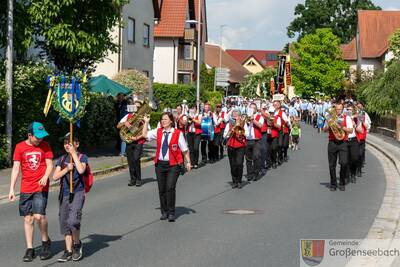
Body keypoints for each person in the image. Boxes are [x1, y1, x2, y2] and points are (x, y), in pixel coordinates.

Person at [8, 122, 53, 262]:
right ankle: (30, 249)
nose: (40, 139)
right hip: (26, 188)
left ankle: (45, 242)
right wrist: (11, 189)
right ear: (29, 135)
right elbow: (16, 168)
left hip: (41, 187)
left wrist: (46, 176)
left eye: (42, 136)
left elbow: (50, 164)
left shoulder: (45, 146)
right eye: (37, 137)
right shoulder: (20, 147)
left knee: (39, 216)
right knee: (28, 218)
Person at [143, 112, 192, 222]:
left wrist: (188, 162)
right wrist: (146, 123)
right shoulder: (159, 131)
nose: (163, 121)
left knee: (170, 188)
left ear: (171, 121)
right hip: (160, 164)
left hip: (173, 165)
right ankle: (164, 211)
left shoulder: (177, 133)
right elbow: (145, 135)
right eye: (162, 119)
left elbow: (184, 150)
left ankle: (171, 212)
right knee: (162, 189)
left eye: (165, 119)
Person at [53, 135, 87, 262]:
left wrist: (74, 154)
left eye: (70, 143)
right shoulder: (62, 159)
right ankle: (68, 250)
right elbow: (55, 177)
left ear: (77, 144)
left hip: (77, 192)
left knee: (73, 221)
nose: (67, 145)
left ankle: (77, 244)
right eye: (66, 143)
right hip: (65, 193)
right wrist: (67, 169)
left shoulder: (82, 157)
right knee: (64, 222)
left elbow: (81, 170)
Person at [323, 103, 353, 191]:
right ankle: (333, 184)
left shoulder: (346, 118)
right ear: (334, 110)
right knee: (332, 164)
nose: (338, 111)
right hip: (332, 142)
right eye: (337, 109)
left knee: (343, 163)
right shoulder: (330, 118)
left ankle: (342, 181)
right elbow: (324, 130)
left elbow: (351, 130)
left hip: (343, 142)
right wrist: (328, 126)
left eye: (340, 109)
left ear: (342, 109)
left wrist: (342, 127)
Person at [116, 101, 147, 187]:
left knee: (136, 159)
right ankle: (133, 179)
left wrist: (137, 137)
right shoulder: (128, 116)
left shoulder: (144, 117)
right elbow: (118, 126)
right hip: (129, 141)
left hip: (139, 141)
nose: (136, 108)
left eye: (138, 107)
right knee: (130, 161)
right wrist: (124, 123)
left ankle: (138, 179)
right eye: (135, 106)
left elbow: (146, 132)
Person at [224, 110, 246, 189]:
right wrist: (232, 130)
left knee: (239, 164)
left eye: (237, 116)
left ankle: (239, 181)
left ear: (239, 117)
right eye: (234, 116)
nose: (235, 117)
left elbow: (246, 134)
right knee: (232, 165)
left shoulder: (244, 123)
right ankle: (234, 181)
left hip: (241, 146)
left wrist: (240, 126)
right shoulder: (229, 124)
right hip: (231, 146)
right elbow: (225, 136)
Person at [244, 103, 264, 181]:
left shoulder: (260, 117)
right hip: (247, 139)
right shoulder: (245, 117)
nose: (252, 110)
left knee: (256, 156)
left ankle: (256, 173)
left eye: (253, 108)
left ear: (256, 109)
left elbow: (260, 126)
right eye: (250, 108)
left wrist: (253, 120)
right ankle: (249, 174)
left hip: (256, 140)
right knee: (248, 159)